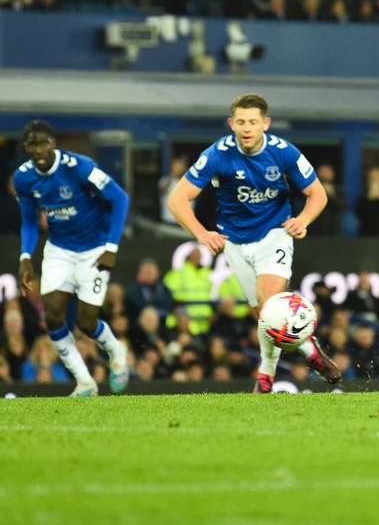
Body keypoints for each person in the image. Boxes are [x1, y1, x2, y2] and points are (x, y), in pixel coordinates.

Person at [166, 93, 339, 393]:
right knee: (263, 313)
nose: (247, 128)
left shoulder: (283, 152)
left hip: (275, 233)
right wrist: (201, 233)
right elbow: (177, 200)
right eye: (241, 122)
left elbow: (318, 194)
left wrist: (303, 220)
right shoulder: (217, 155)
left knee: (270, 303)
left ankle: (265, 376)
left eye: (253, 122)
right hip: (234, 241)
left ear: (266, 124)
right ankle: (310, 350)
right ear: (231, 124)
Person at [14, 120, 130, 396]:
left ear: (54, 143)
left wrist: (111, 247)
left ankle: (117, 354)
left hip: (95, 249)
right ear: (26, 148)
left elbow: (120, 199)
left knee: (86, 323)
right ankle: (85, 382)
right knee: (52, 316)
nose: (39, 150)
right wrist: (25, 256)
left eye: (44, 143)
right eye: (33, 145)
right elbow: (29, 221)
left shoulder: (80, 167)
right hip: (59, 250)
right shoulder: (23, 177)